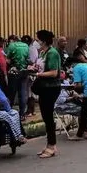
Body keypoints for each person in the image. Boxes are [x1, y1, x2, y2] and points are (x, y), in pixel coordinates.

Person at [34, 30, 62, 158]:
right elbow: (41, 67)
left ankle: (51, 146)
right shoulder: (43, 53)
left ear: (44, 41)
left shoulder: (52, 53)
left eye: (38, 39)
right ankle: (50, 145)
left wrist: (38, 74)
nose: (37, 42)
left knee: (48, 117)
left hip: (51, 88)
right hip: (43, 87)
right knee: (46, 117)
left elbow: (54, 72)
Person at [5, 35, 30, 118]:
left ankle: (9, 113)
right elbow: (28, 59)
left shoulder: (12, 46)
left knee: (12, 92)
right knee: (23, 93)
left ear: (13, 40)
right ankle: (22, 114)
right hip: (24, 72)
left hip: (14, 72)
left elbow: (8, 61)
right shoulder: (26, 46)